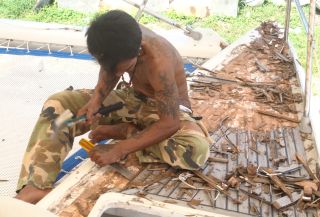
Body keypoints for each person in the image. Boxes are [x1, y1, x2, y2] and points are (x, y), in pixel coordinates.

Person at [15, 10, 211, 204]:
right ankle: (36, 186)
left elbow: (170, 123)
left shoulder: (159, 61)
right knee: (59, 105)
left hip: (164, 111)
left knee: (193, 150)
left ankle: (127, 131)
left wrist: (120, 148)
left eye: (124, 69)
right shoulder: (116, 38)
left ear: (139, 51)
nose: (116, 72)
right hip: (133, 99)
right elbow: (111, 68)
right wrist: (96, 101)